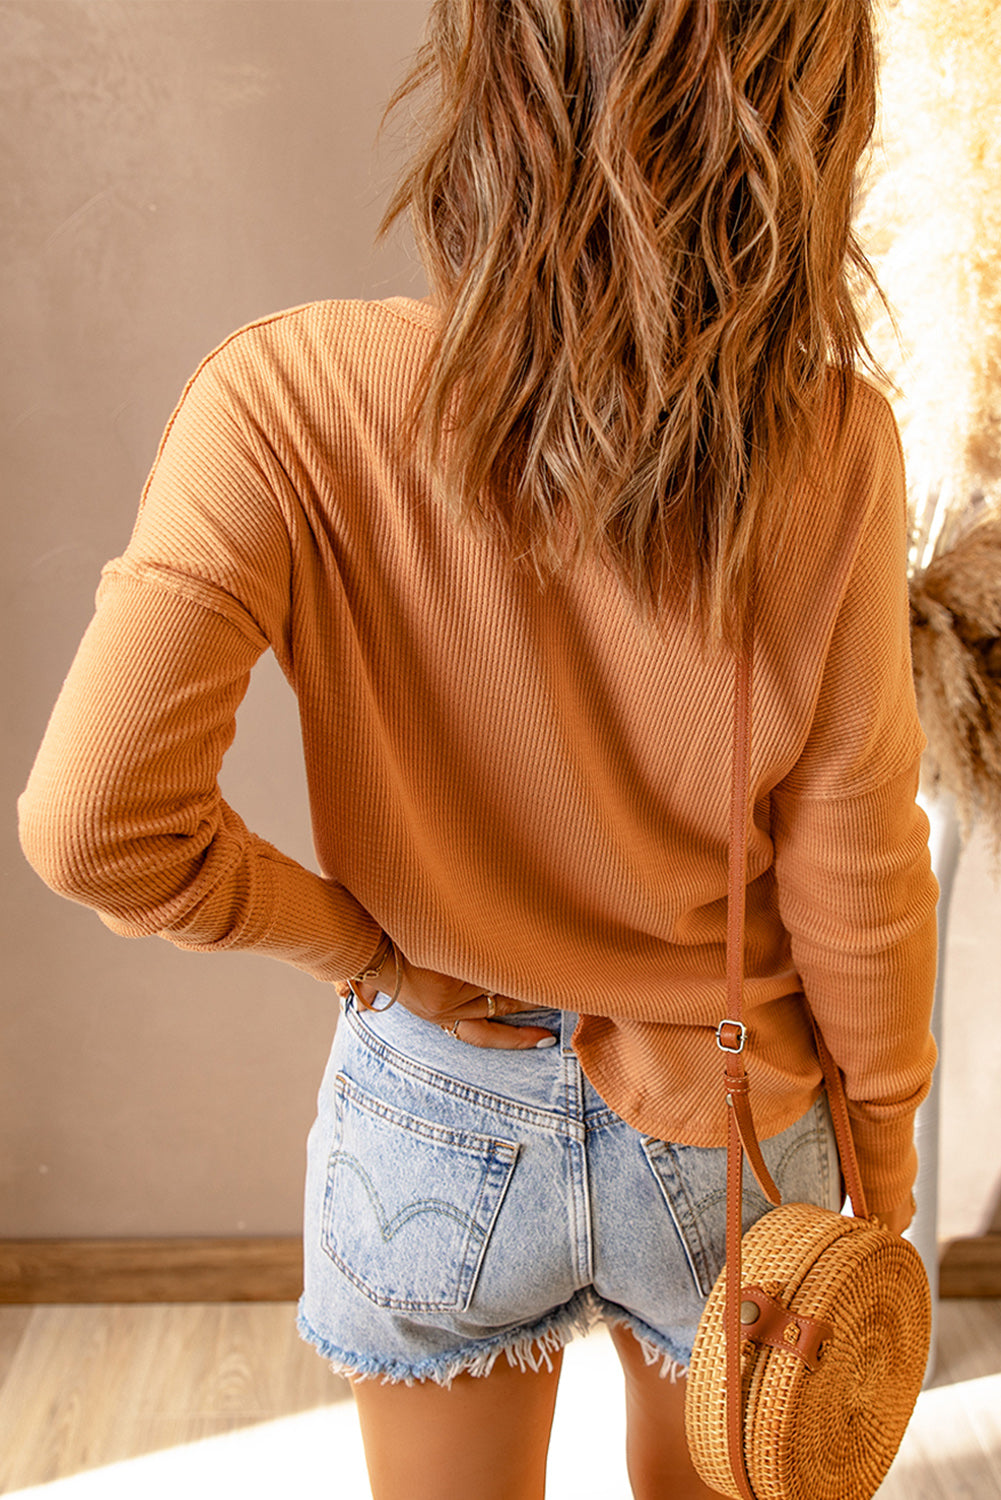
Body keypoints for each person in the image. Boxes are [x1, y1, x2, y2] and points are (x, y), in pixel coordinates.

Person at [18, 1, 938, 1496]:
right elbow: (859, 866)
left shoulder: (284, 398)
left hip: (433, 1102)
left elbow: (93, 822)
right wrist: (881, 1144)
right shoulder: (834, 443)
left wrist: (366, 953)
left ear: (499, 82)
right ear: (803, 125)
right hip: (728, 1116)